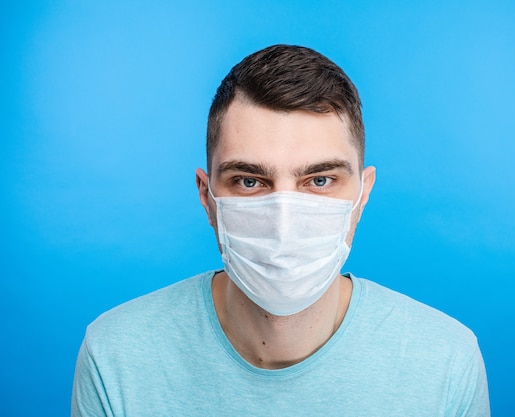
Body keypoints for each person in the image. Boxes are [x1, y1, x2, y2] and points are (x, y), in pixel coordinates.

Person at [71, 44, 490, 416]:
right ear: (207, 197)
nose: (284, 222)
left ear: (362, 196)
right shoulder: (116, 355)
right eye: (250, 181)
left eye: (320, 180)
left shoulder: (444, 360)